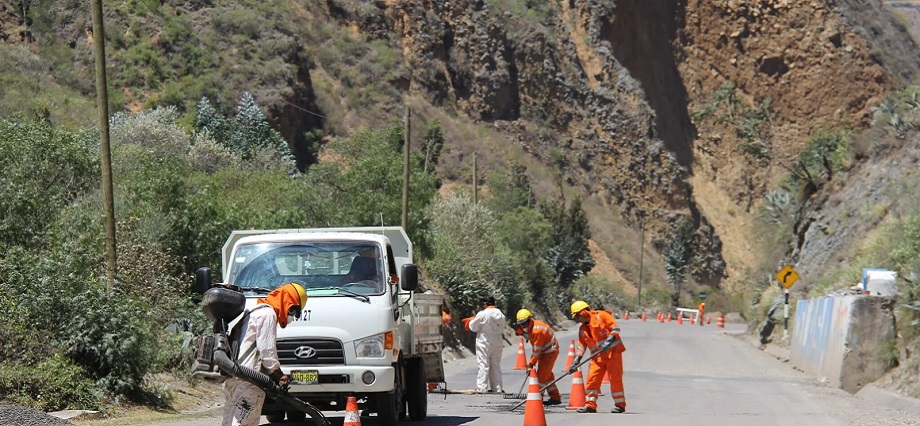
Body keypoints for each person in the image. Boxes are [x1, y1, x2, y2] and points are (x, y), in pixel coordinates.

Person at [223, 282, 308, 426]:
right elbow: (267, 351)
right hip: (249, 379)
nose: (291, 316)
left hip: (235, 377)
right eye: (293, 312)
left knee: (229, 421)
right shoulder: (268, 314)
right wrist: (279, 375)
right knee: (245, 423)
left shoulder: (254, 311)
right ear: (287, 303)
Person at [568, 300, 627, 414]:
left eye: (578, 316)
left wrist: (609, 341)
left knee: (615, 380)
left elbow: (615, 328)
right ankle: (590, 405)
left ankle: (620, 405)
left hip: (613, 354)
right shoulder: (582, 329)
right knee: (592, 380)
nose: (578, 319)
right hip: (597, 358)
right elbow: (581, 346)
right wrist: (576, 360)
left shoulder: (602, 316)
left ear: (584, 312)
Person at [514, 308, 562, 405]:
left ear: (529, 320)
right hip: (544, 351)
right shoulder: (531, 326)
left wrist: (530, 364)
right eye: (521, 324)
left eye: (524, 324)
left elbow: (536, 351)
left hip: (550, 352)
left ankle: (537, 399)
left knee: (541, 377)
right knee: (547, 375)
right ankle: (555, 397)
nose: (523, 326)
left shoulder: (537, 330)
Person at [468, 295, 505, 393]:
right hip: (498, 340)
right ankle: (497, 388)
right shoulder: (500, 314)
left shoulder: (483, 314)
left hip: (484, 341)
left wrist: (471, 320)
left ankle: (482, 388)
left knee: (483, 364)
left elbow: (473, 327)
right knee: (495, 364)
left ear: (485, 304)